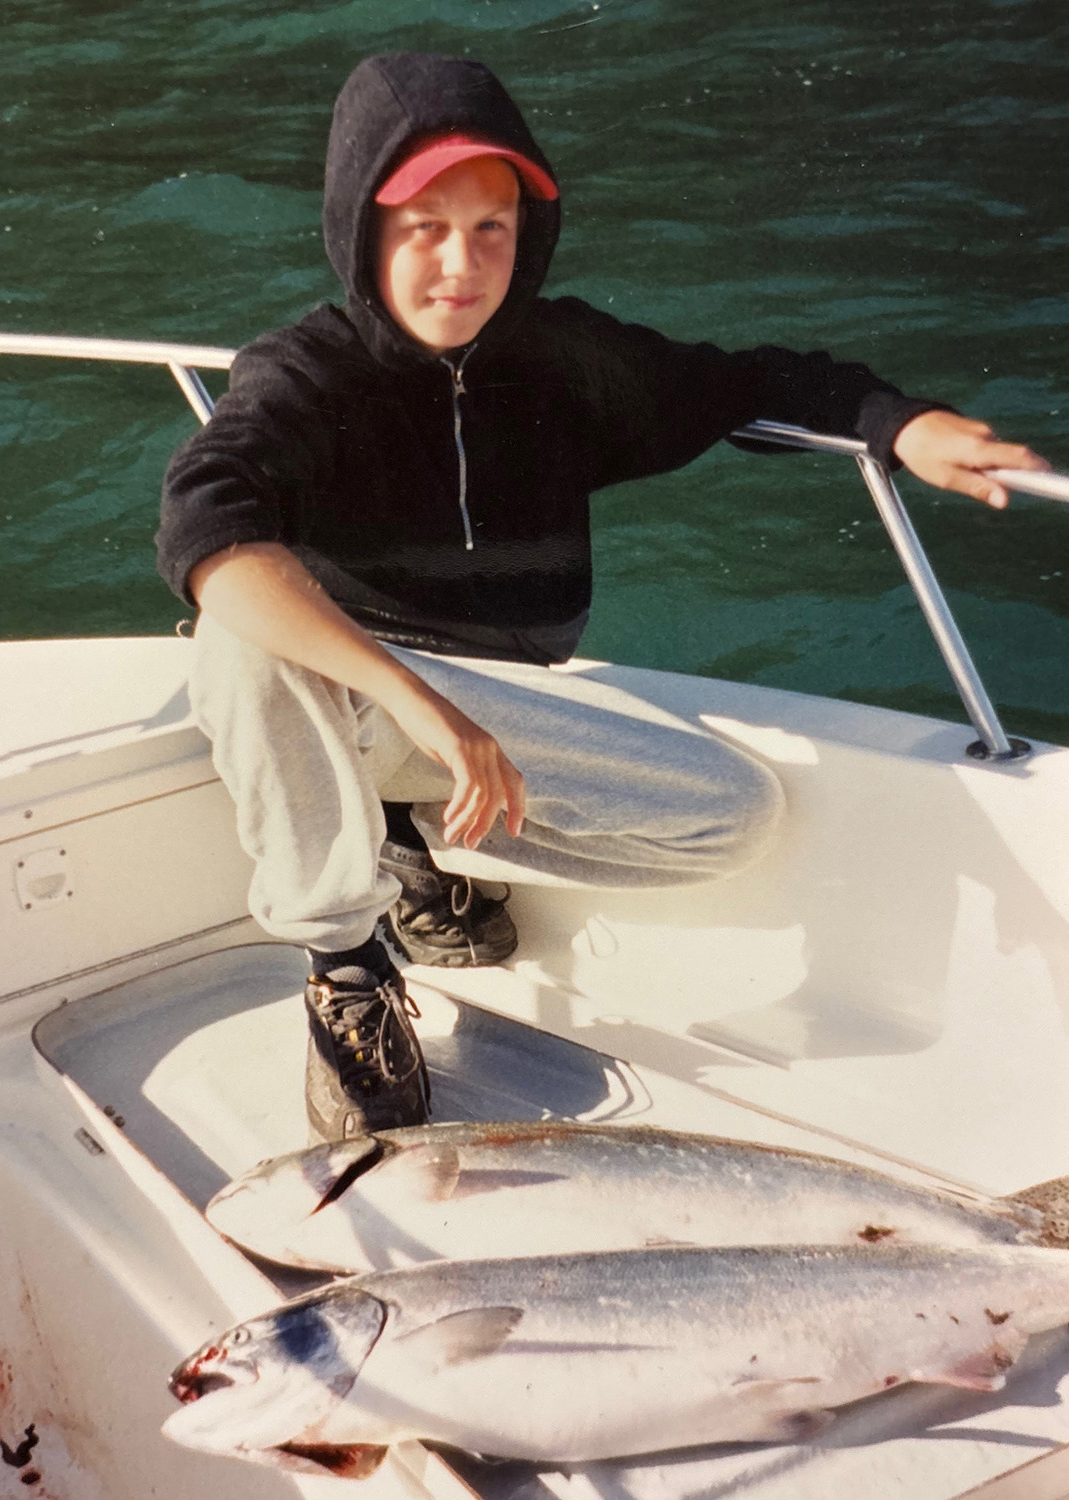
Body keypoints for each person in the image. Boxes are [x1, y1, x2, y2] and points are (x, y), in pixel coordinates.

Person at [157, 51, 1048, 1142]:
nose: (461, 263)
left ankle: (417, 838)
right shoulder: (305, 374)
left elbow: (753, 378)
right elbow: (207, 533)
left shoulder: (564, 358)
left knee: (732, 820)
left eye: (493, 227)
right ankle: (345, 963)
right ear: (362, 228)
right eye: (424, 226)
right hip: (343, 687)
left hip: (490, 711)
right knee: (243, 638)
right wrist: (420, 708)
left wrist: (900, 423)